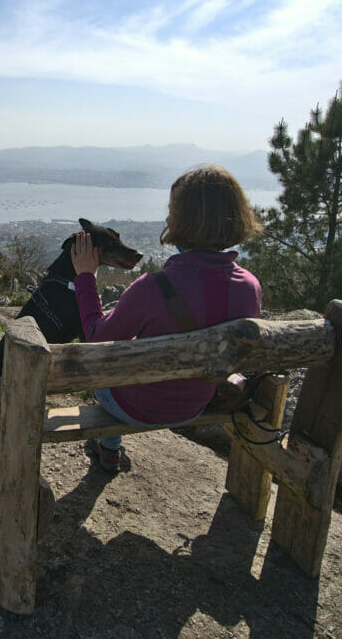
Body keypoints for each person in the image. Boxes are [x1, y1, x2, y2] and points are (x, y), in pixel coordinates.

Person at [69, 164, 263, 472]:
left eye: (172, 210)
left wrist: (86, 277)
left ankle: (110, 447)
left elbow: (95, 338)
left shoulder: (153, 288)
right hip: (195, 405)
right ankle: (109, 448)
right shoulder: (250, 288)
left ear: (180, 220)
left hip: (136, 407)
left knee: (113, 366)